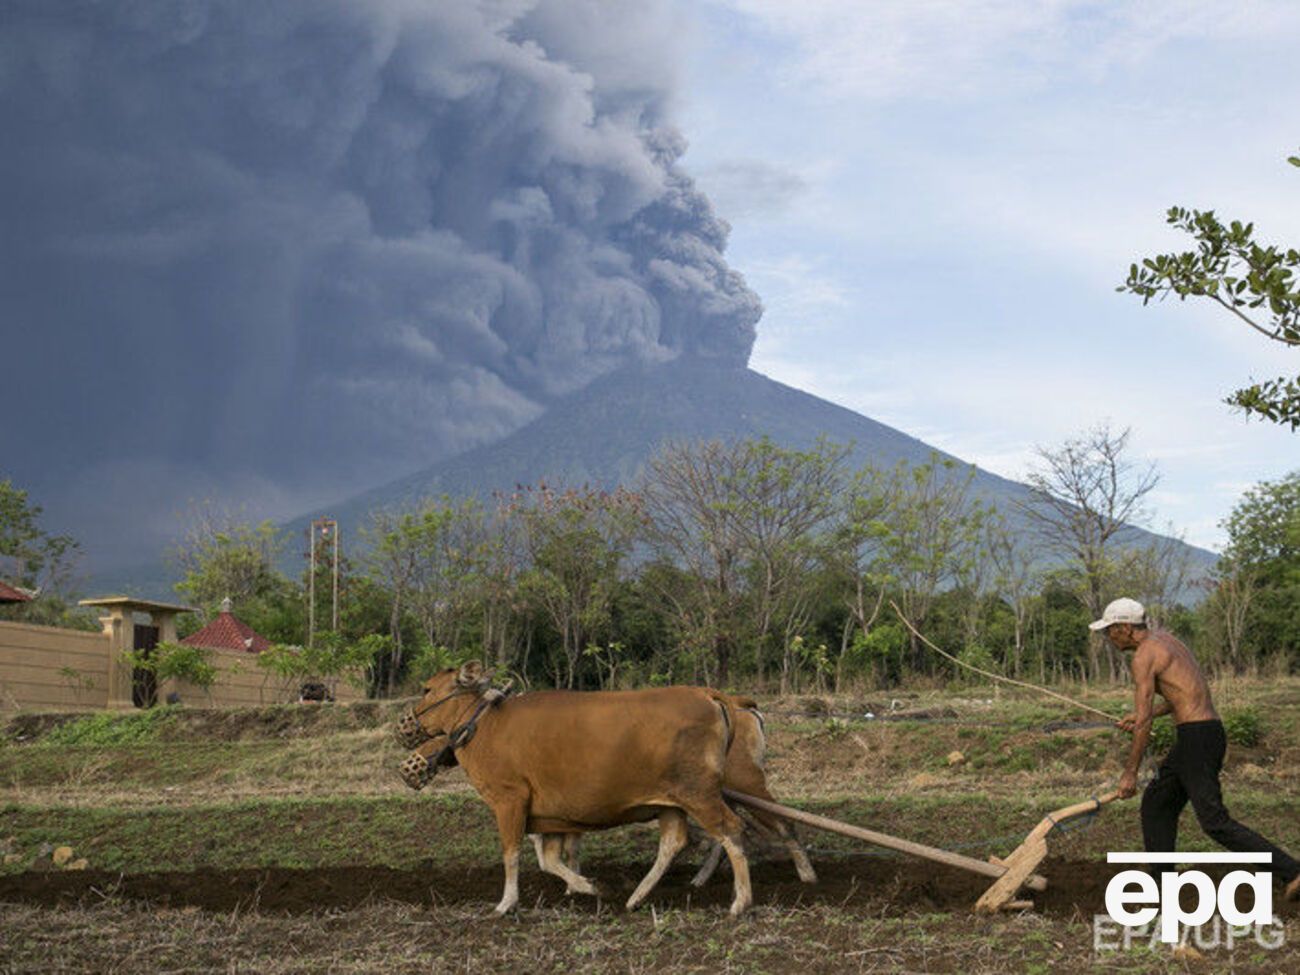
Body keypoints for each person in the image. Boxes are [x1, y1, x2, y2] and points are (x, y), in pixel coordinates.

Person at [1093, 597, 1300, 900]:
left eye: (1110, 630)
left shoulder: (1143, 657)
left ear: (1125, 627)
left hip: (1196, 739)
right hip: (1204, 734)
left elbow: (1143, 728)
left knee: (1215, 822)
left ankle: (1291, 871)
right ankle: (1162, 886)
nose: (1108, 637)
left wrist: (1129, 773)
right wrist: (1144, 714)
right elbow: (1187, 693)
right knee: (1157, 804)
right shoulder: (1168, 641)